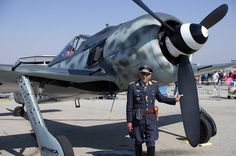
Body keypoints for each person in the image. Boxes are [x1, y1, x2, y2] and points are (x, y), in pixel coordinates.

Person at [126, 64, 183, 156]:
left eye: (147, 74)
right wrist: (129, 121)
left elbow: (161, 98)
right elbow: (129, 106)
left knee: (151, 141)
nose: (145, 76)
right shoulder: (132, 86)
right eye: (143, 73)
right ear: (140, 74)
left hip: (151, 118)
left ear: (150, 75)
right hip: (138, 118)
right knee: (138, 141)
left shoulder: (154, 85)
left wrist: (174, 100)